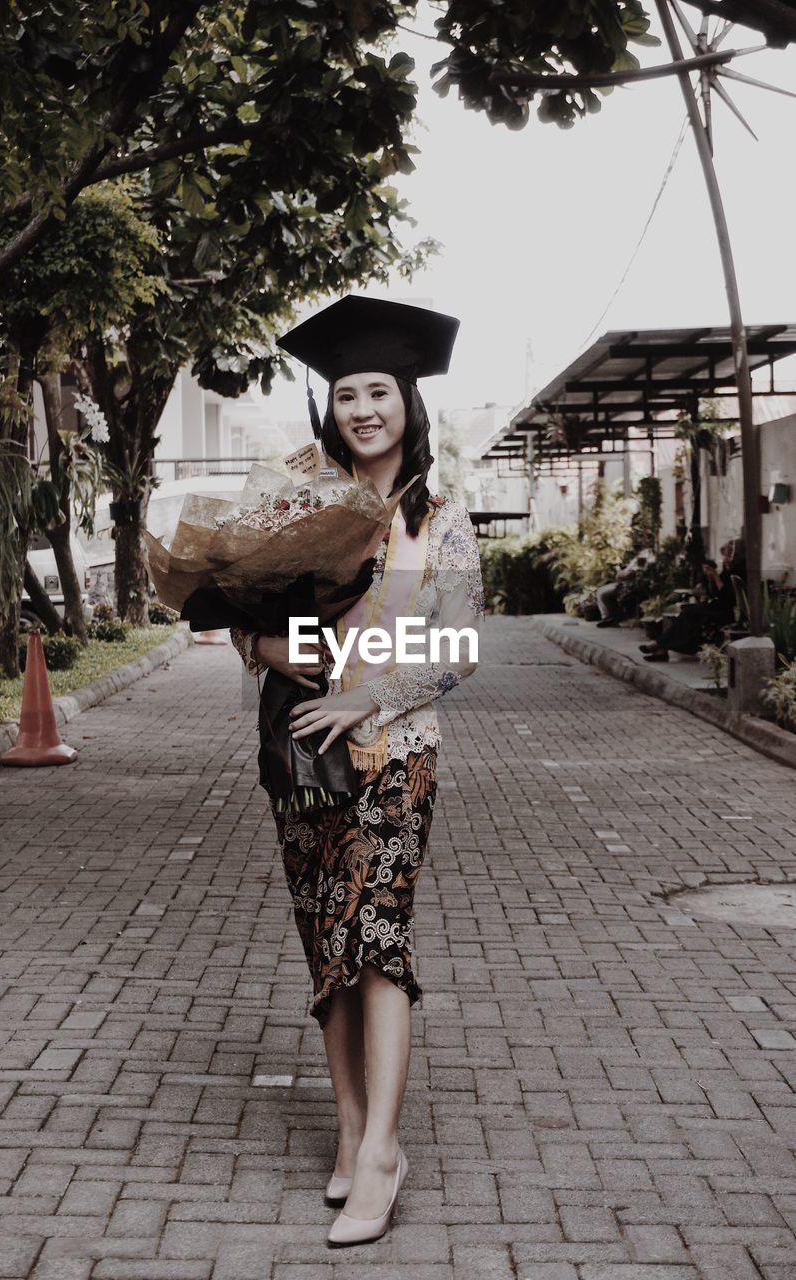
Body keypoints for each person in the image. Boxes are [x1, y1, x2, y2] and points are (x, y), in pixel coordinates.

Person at [229, 296, 484, 1248]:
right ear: (327, 410)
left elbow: (458, 646)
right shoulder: (301, 506)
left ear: (409, 404)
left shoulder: (436, 517)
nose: (361, 409)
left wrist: (366, 697)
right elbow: (263, 629)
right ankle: (345, 1127)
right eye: (345, 395)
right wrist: (264, 642)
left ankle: (381, 1149)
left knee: (375, 935)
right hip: (304, 754)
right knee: (324, 947)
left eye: (378, 391)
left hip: (395, 756)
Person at [639, 538, 745, 661]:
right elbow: (714, 593)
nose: (725, 558)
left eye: (728, 555)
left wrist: (716, 577)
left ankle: (659, 645)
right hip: (715, 606)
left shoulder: (738, 571)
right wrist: (711, 578)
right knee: (687, 613)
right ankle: (661, 648)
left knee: (689, 614)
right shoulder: (727, 570)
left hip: (725, 611)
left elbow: (726, 597)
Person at [594, 547, 655, 627]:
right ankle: (609, 617)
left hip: (629, 585)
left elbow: (637, 571)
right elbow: (625, 572)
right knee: (600, 591)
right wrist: (621, 573)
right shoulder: (639, 555)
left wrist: (625, 574)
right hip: (622, 582)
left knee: (602, 593)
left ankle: (609, 617)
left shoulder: (649, 554)